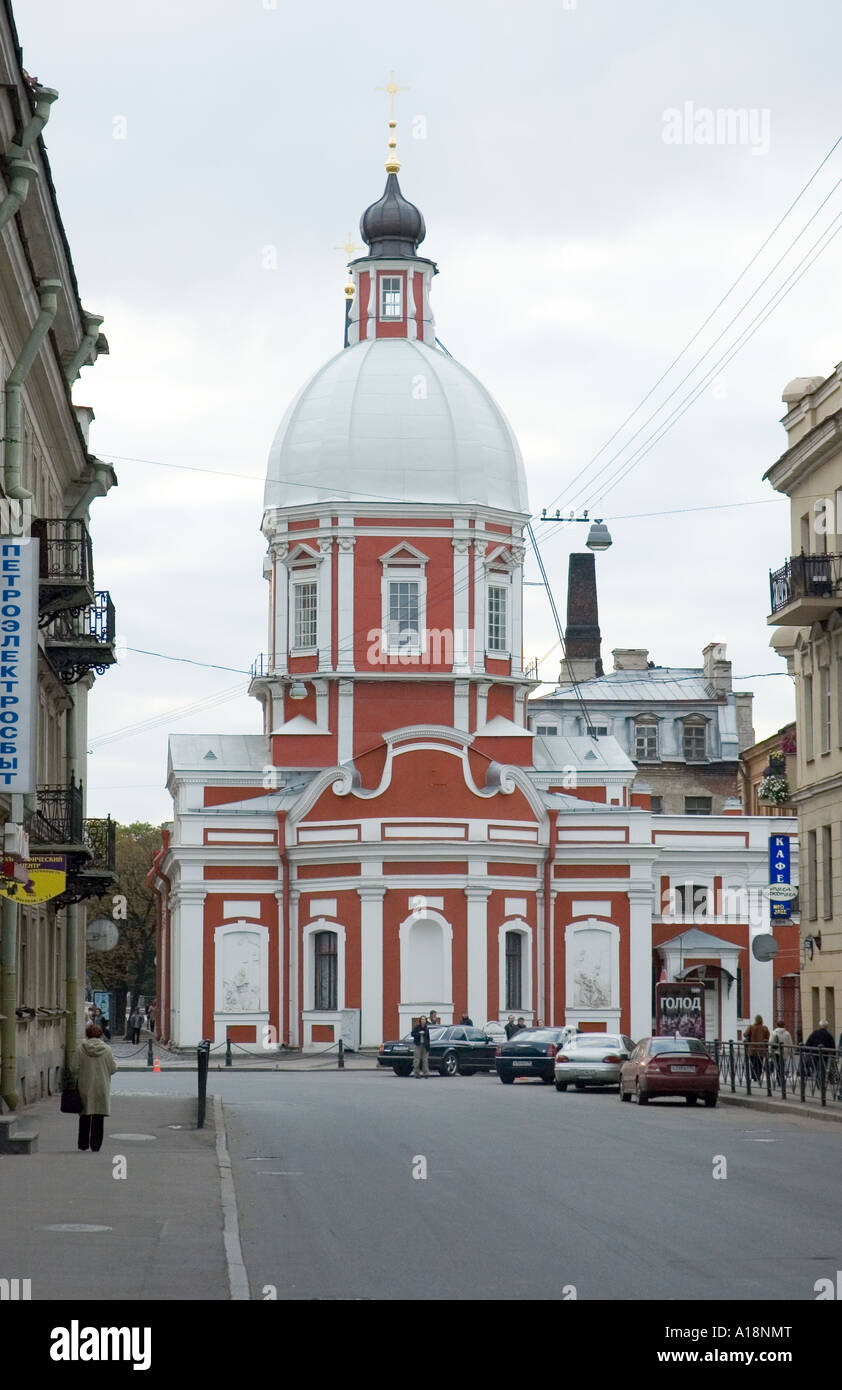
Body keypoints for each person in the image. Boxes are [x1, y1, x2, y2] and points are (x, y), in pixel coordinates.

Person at [72, 1024, 117, 1152]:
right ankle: (96, 1145)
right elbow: (113, 1069)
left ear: (87, 1034)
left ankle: (83, 1144)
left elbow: (74, 1067)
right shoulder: (107, 1049)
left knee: (85, 1116)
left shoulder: (81, 1048)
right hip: (101, 1086)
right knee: (99, 1116)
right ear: (100, 1034)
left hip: (85, 1085)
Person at [744, 1015, 769, 1083]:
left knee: (752, 1063)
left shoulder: (751, 1027)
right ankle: (758, 1075)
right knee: (760, 1063)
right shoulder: (764, 1028)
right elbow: (767, 1037)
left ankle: (753, 1075)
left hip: (752, 1048)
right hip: (761, 1049)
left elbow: (745, 1034)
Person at [768, 1018, 793, 1088]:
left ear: (777, 1025)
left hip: (775, 1052)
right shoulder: (787, 1033)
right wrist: (791, 1053)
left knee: (777, 1066)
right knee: (782, 1066)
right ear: (784, 1025)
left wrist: (770, 1051)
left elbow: (770, 1043)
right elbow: (790, 1044)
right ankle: (780, 1080)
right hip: (784, 1052)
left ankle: (779, 1079)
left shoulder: (774, 1032)